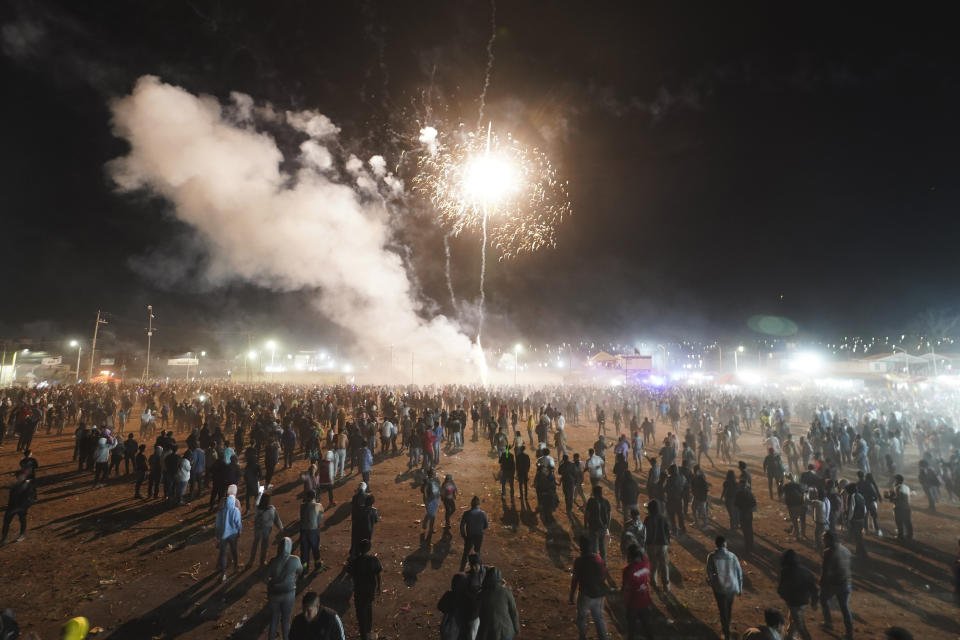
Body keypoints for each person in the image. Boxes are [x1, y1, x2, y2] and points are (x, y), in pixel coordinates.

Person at [569, 536, 609, 640]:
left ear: (581, 547)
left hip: (585, 594)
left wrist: (571, 595)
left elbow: (575, 580)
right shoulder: (598, 558)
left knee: (582, 617)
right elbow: (604, 574)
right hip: (598, 594)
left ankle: (582, 637)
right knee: (599, 618)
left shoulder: (579, 561)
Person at [706, 535, 743, 640]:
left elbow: (709, 573)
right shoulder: (733, 556)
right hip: (731, 587)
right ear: (724, 544)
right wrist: (740, 588)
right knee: (729, 607)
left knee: (722, 609)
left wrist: (711, 583)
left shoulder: (712, 556)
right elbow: (739, 573)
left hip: (719, 588)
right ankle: (726, 627)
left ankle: (725, 630)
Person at [266, 537, 303, 640]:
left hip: (274, 594)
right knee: (286, 621)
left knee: (274, 619)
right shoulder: (295, 560)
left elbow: (265, 578)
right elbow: (300, 571)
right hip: (289, 594)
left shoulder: (273, 561)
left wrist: (271, 585)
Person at [819, 531, 854, 639]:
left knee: (823, 599)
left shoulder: (828, 552)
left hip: (835, 584)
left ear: (829, 540)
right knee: (845, 608)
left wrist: (822, 583)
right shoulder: (845, 550)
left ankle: (828, 622)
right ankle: (849, 633)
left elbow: (826, 571)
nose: (823, 541)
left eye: (824, 539)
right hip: (846, 583)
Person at [778, 549, 818, 640]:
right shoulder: (806, 571)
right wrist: (814, 602)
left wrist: (785, 597)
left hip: (794, 602)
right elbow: (814, 589)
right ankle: (790, 636)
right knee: (794, 620)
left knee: (800, 625)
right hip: (803, 602)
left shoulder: (785, 571)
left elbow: (781, 589)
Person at [347, 538, 382, 640]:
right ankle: (368, 631)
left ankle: (364, 634)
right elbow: (378, 574)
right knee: (368, 609)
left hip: (359, 591)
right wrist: (379, 586)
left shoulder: (355, 562)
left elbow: (350, 574)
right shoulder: (373, 560)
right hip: (369, 590)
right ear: (369, 548)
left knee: (361, 613)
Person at [477, 566, 520, 640]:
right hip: (506, 632)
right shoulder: (506, 592)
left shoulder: (481, 595)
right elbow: (513, 612)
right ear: (500, 579)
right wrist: (517, 628)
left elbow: (477, 614)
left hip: (488, 634)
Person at [621, 544, 653, 640]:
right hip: (644, 600)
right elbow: (643, 555)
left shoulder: (627, 570)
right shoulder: (646, 563)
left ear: (629, 556)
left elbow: (624, 587)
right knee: (646, 625)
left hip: (632, 602)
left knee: (631, 628)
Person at [215, 486, 242, 582]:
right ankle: (236, 567)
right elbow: (238, 521)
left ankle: (223, 574)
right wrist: (239, 531)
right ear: (235, 493)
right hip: (233, 533)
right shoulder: (237, 504)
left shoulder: (222, 503)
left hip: (222, 532)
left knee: (223, 553)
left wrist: (217, 532)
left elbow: (218, 519)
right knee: (234, 550)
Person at [0, 471, 35, 545]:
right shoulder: (16, 485)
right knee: (7, 522)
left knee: (21, 521)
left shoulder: (25, 485)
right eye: (18, 476)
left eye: (19, 476)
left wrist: (26, 505)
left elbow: (31, 498)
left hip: (19, 507)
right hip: (13, 507)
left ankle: (21, 535)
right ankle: (3, 538)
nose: (18, 478)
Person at [249, 493, 284, 568]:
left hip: (258, 529)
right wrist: (281, 528)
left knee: (255, 544)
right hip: (267, 530)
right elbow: (276, 520)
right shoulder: (271, 509)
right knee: (264, 546)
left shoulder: (257, 508)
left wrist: (259, 495)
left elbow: (256, 502)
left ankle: (251, 561)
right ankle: (262, 561)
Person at [643, 498, 671, 591]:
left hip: (651, 545)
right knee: (664, 564)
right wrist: (667, 542)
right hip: (663, 544)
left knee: (653, 564)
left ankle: (653, 582)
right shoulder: (663, 518)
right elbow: (667, 532)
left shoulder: (648, 519)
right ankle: (666, 585)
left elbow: (645, 533)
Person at [459, 496, 489, 571]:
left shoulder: (467, 513)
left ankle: (462, 569)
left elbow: (462, 525)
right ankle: (478, 569)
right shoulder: (483, 514)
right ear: (479, 505)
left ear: (471, 504)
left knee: (466, 553)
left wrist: (464, 535)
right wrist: (480, 529)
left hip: (470, 535)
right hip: (479, 535)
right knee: (477, 551)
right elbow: (486, 526)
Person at [585, 485, 612, 560]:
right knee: (602, 547)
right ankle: (604, 564)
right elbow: (609, 515)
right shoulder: (606, 501)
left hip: (593, 528)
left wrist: (585, 525)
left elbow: (587, 514)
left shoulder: (591, 501)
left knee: (594, 549)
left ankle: (595, 564)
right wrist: (608, 527)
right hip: (603, 527)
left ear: (594, 492)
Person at [299, 489, 324, 571]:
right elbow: (320, 517)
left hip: (303, 531)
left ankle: (304, 568)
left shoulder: (302, 506)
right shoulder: (318, 505)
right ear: (314, 496)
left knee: (304, 550)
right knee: (315, 548)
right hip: (313, 530)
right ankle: (318, 565)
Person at [735, 479, 757, 555]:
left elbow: (736, 504)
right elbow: (754, 503)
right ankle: (751, 545)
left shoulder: (738, 493)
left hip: (742, 513)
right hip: (749, 513)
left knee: (745, 531)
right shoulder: (749, 492)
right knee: (750, 529)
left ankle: (747, 547)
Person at [890, 474, 913, 542]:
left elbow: (898, 498)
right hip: (907, 507)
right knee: (907, 522)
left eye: (895, 480)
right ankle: (910, 535)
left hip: (899, 507)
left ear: (897, 480)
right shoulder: (907, 487)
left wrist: (890, 498)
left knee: (899, 522)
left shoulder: (897, 487)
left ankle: (900, 535)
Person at [422, 469, 441, 534]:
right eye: (433, 473)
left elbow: (439, 488)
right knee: (432, 515)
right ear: (430, 474)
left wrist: (439, 496)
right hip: (429, 500)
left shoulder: (437, 480)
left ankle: (425, 522)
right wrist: (426, 500)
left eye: (435, 472)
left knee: (431, 513)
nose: (435, 474)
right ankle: (431, 529)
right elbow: (424, 491)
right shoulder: (427, 481)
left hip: (435, 499)